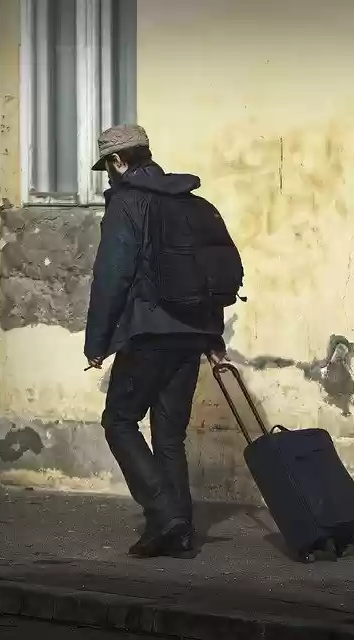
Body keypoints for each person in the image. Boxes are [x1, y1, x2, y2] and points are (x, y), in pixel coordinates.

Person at [84, 124, 229, 558]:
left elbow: (112, 276)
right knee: (169, 437)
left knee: (119, 421)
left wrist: (97, 342)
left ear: (118, 161)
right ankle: (177, 532)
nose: (109, 176)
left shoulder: (127, 202)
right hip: (191, 335)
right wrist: (212, 336)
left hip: (148, 334)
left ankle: (166, 514)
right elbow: (210, 272)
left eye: (108, 167)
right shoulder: (189, 202)